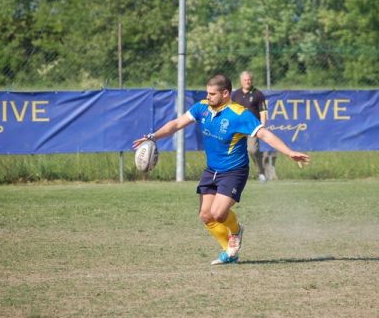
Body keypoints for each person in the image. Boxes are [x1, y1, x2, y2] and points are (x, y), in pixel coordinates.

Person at [133, 74, 310, 265]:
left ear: (225, 93)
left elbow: (264, 134)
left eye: (212, 94)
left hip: (234, 171)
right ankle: (229, 252)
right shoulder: (202, 108)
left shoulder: (239, 114)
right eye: (207, 93)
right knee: (205, 216)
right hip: (212, 170)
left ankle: (236, 230)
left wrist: (289, 152)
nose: (208, 97)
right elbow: (176, 124)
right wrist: (152, 136)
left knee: (218, 214)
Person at [231, 70, 270, 182]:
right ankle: (235, 175)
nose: (248, 82)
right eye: (245, 80)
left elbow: (263, 112)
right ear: (241, 81)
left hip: (253, 127)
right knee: (234, 151)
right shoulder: (235, 94)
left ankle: (261, 172)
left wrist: (262, 126)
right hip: (238, 128)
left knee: (252, 150)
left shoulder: (258, 94)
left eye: (249, 80)